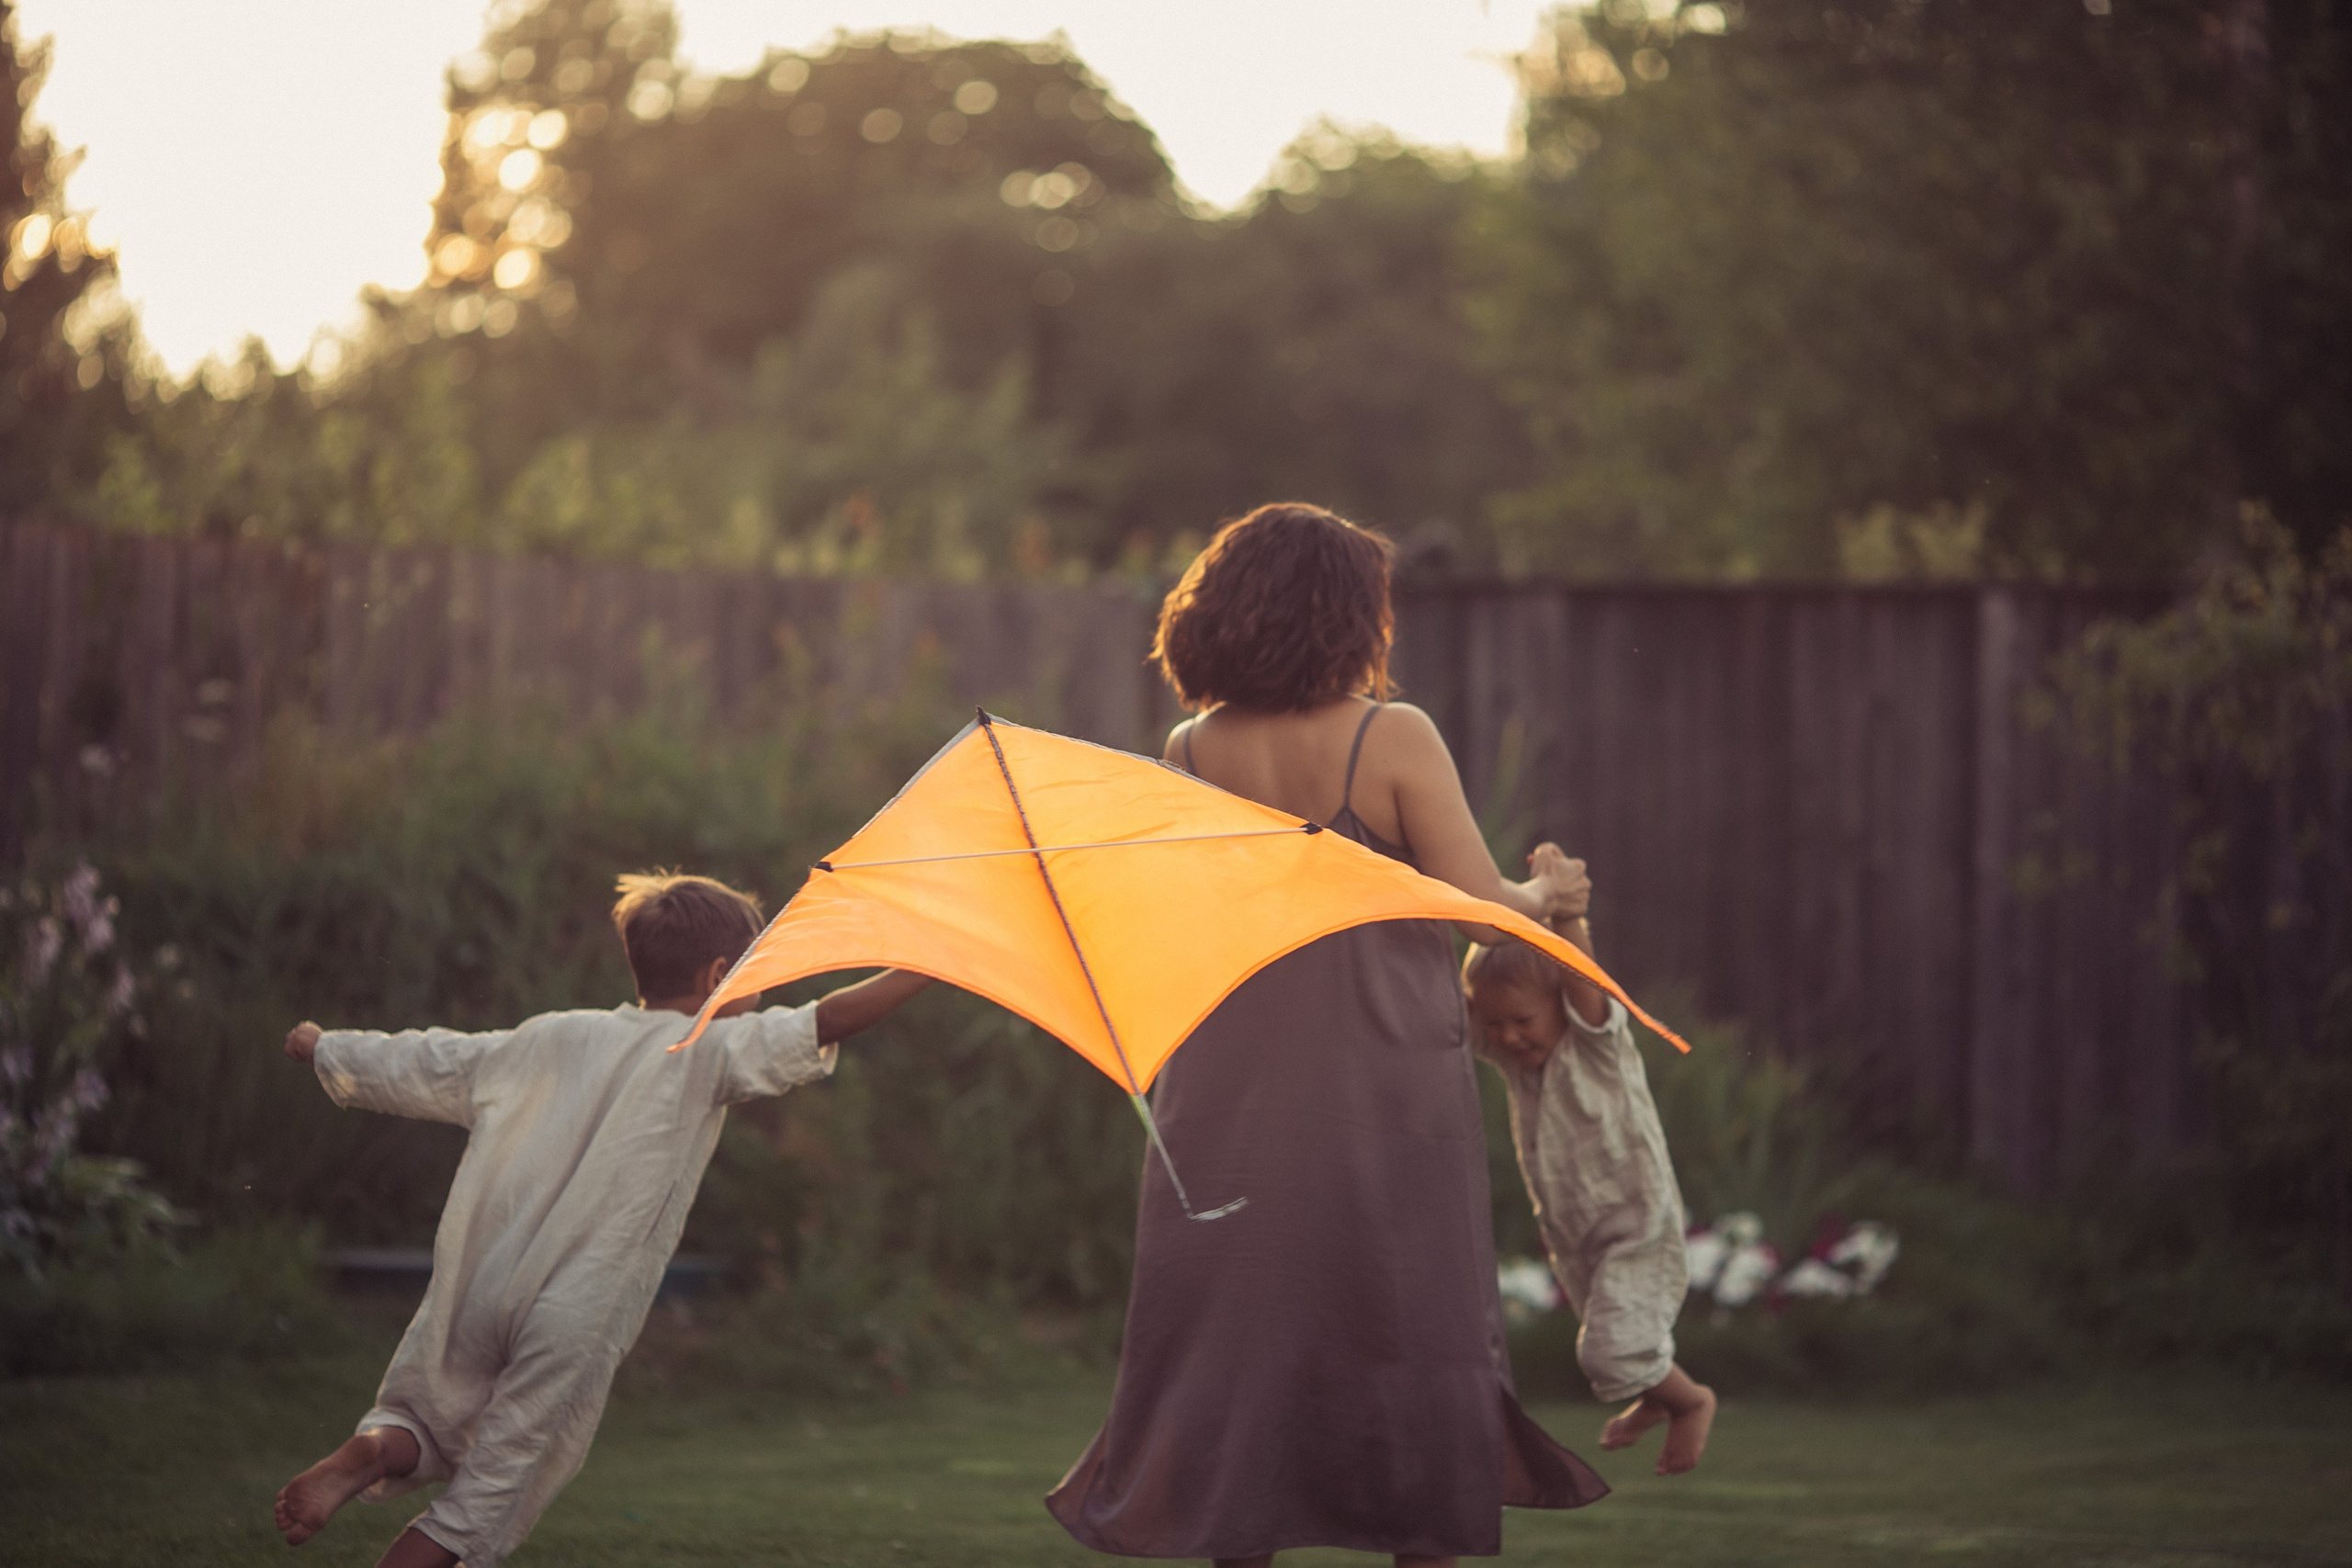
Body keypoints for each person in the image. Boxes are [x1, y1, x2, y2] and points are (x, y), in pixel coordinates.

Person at [1046, 503, 1609, 1568]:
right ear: (1349, 615)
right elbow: (1469, 902)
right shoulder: (1390, 735)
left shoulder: (1189, 746)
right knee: (1410, 1324)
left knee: (1237, 1329)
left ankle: (1235, 1538)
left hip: (1225, 1081)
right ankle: (1419, 1539)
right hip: (1379, 1078)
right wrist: (1548, 890)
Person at [270, 872, 930, 1568]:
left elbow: (432, 1059)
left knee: (430, 1417)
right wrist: (929, 961)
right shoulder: (706, 1049)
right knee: (489, 1492)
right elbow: (830, 1018)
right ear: (716, 976)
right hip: (571, 1310)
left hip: (484, 1281)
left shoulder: (554, 1036)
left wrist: (328, 1047)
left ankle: (371, 1450)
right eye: (758, 970)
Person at [1463, 846, 1717, 1477]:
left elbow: (1578, 971)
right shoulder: (1515, 1060)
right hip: (1573, 1232)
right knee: (1614, 1348)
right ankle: (1655, 1396)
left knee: (1612, 1351)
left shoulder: (1595, 1042)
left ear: (1559, 1008)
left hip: (1634, 1219)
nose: (1508, 1037)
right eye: (1494, 1026)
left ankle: (1688, 1402)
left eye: (1521, 1020)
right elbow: (1456, 1017)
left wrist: (1566, 908)